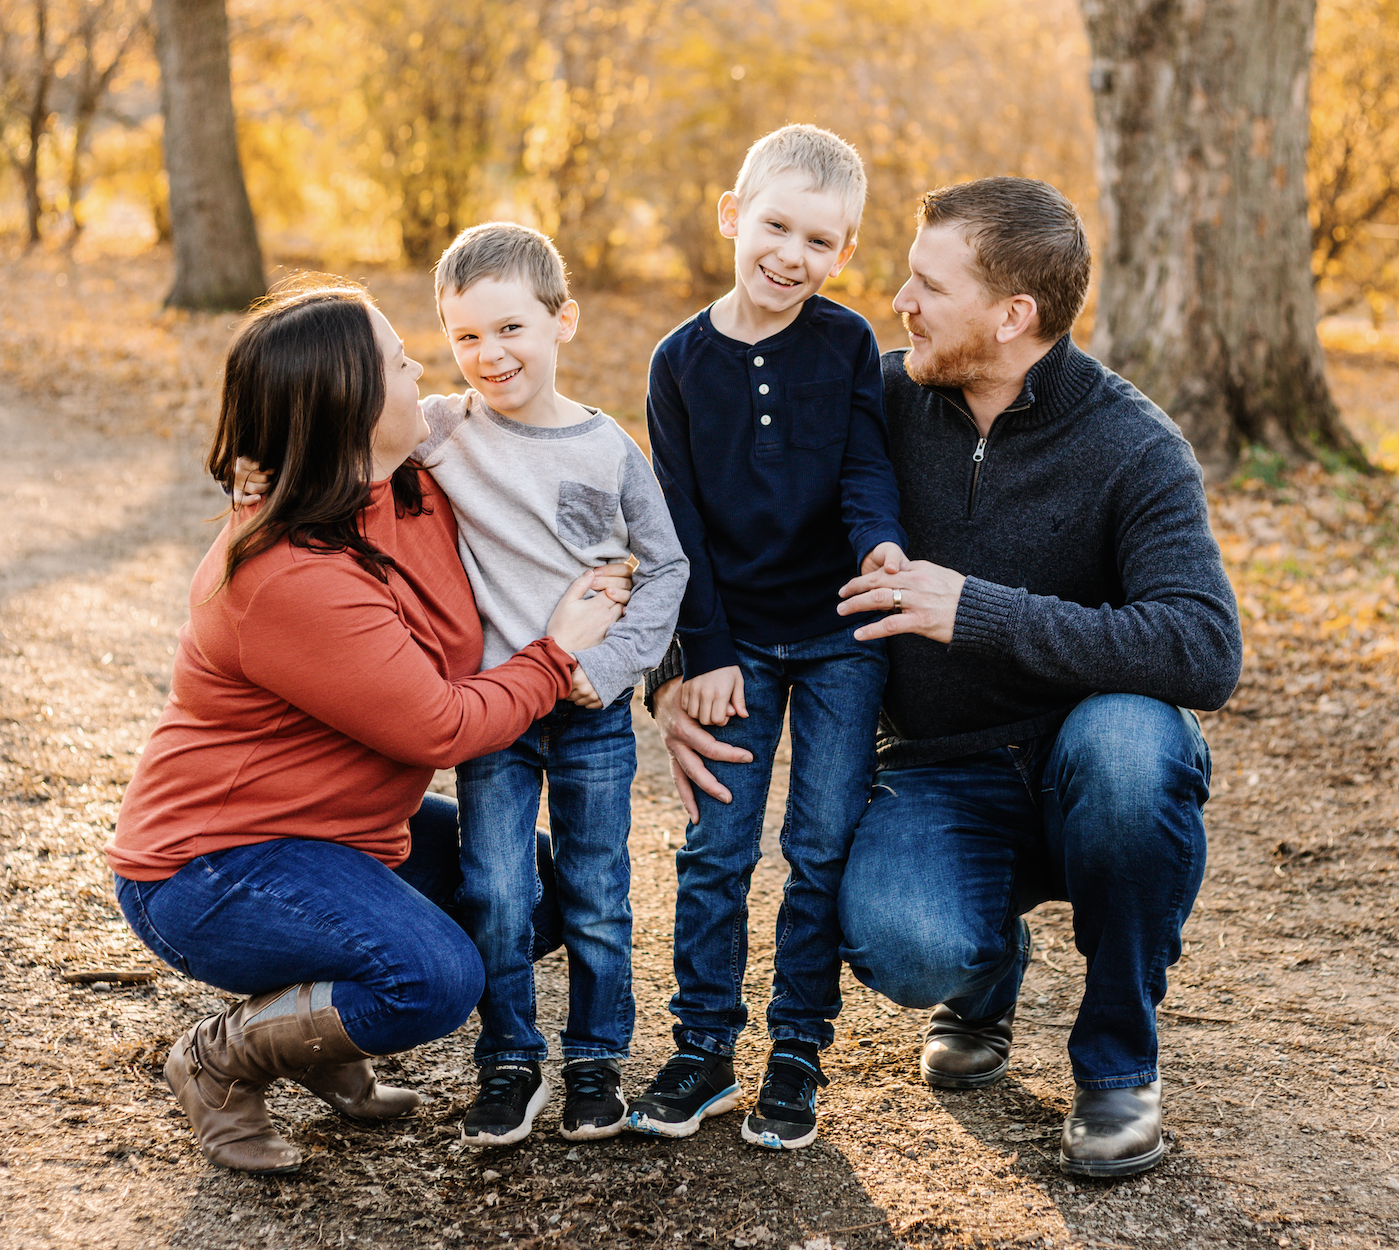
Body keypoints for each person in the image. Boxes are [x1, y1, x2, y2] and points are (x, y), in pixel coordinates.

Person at [661, 177, 1242, 1179]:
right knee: (899, 942)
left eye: (929, 284)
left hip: (1079, 771)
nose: (900, 300)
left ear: (1012, 315)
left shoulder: (1133, 447)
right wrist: (676, 674)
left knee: (1134, 748)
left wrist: (971, 608)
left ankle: (1116, 1065)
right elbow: (722, 517)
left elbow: (1202, 646)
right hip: (935, 768)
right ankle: (982, 974)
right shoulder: (876, 397)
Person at [104, 283, 631, 1176]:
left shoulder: (408, 481)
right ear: (348, 406)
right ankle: (221, 1059)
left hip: (340, 839)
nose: (421, 368)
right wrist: (556, 654)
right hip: (212, 867)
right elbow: (440, 725)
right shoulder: (282, 574)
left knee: (535, 894)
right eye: (397, 360)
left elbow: (513, 447)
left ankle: (319, 1032)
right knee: (435, 979)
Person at [632, 124, 908, 1151]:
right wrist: (700, 653)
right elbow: (676, 523)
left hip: (842, 637)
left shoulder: (845, 347)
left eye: (821, 239)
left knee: (820, 844)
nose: (792, 253)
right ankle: (702, 1042)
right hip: (733, 645)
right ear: (730, 215)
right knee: (716, 848)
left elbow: (863, 471)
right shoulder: (677, 362)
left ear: (847, 252)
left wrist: (880, 545)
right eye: (776, 224)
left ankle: (797, 1048)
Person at [417, 223, 687, 1147]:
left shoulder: (608, 451)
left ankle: (596, 1059)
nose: (489, 355)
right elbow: (348, 441)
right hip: (495, 707)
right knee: (496, 887)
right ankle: (509, 1059)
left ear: (562, 321)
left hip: (593, 716)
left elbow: (666, 570)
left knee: (596, 884)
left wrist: (606, 668)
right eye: (465, 337)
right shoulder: (445, 431)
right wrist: (258, 472)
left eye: (510, 329)